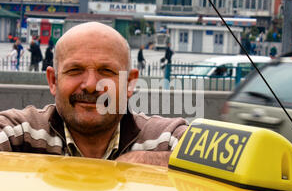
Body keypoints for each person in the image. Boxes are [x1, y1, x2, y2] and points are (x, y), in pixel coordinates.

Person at [0, 22, 188, 167]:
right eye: (75, 70)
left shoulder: (164, 138)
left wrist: (146, 161)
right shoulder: (20, 133)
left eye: (106, 71)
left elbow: (217, 155)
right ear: (53, 81)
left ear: (130, 82)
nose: (90, 85)